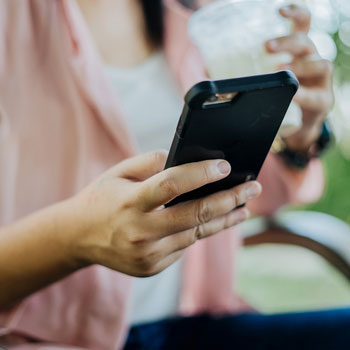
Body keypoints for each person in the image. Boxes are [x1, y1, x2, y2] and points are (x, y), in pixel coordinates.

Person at [0, 0, 348, 349]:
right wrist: (73, 238)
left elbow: (258, 193)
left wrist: (299, 134)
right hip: (43, 337)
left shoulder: (197, 16)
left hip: (193, 324)